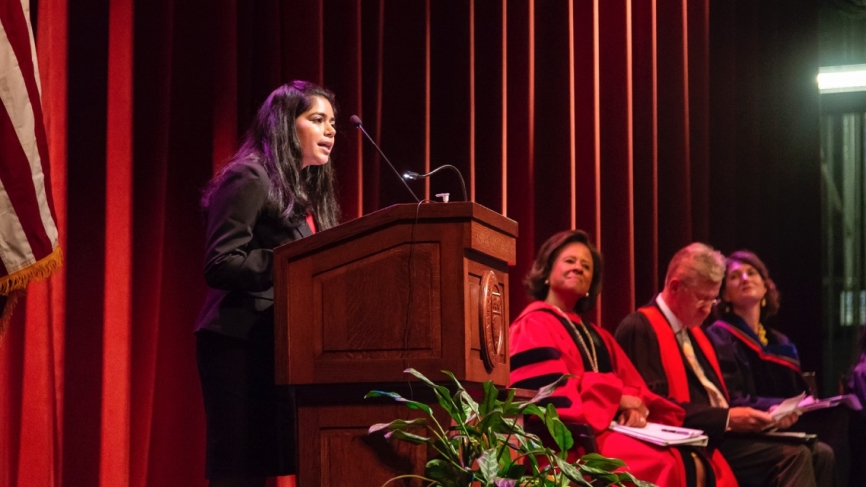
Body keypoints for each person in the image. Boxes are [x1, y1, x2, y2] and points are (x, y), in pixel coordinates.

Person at [195, 81, 340, 487]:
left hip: (280, 347)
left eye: (332, 123)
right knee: (240, 472)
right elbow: (221, 262)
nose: (330, 131)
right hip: (238, 343)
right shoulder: (250, 176)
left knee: (265, 468)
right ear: (284, 126)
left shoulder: (306, 194)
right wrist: (294, 263)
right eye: (317, 120)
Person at [509, 230, 735, 486]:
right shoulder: (533, 324)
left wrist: (637, 408)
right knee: (669, 463)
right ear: (547, 272)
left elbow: (637, 390)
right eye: (570, 261)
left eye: (586, 266)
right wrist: (617, 401)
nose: (579, 268)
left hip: (607, 433)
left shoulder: (599, 337)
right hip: (566, 448)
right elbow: (551, 404)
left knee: (699, 458)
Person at [615, 243, 834, 487]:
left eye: (713, 299)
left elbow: (721, 396)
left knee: (821, 453)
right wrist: (727, 418)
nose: (708, 309)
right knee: (793, 457)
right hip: (688, 440)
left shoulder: (696, 333)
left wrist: (768, 417)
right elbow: (656, 403)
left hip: (719, 433)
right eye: (702, 299)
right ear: (675, 287)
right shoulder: (641, 327)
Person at [705, 250, 847, 485]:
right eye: (734, 276)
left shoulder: (780, 342)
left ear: (765, 287)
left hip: (782, 428)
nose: (745, 279)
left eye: (752, 273)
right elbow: (731, 396)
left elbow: (797, 392)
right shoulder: (720, 336)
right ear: (724, 294)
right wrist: (775, 408)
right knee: (800, 454)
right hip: (741, 434)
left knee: (825, 453)